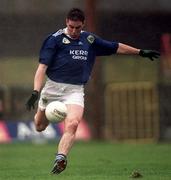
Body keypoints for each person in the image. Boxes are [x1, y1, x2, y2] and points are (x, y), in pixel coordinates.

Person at [26, 8, 160, 175]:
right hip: (52, 88)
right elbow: (42, 68)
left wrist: (140, 52)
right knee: (39, 126)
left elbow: (115, 47)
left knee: (73, 124)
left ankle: (61, 158)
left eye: (78, 27)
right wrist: (35, 92)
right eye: (71, 27)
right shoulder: (54, 40)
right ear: (67, 22)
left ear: (83, 24)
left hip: (74, 90)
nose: (74, 31)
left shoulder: (89, 39)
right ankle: (43, 112)